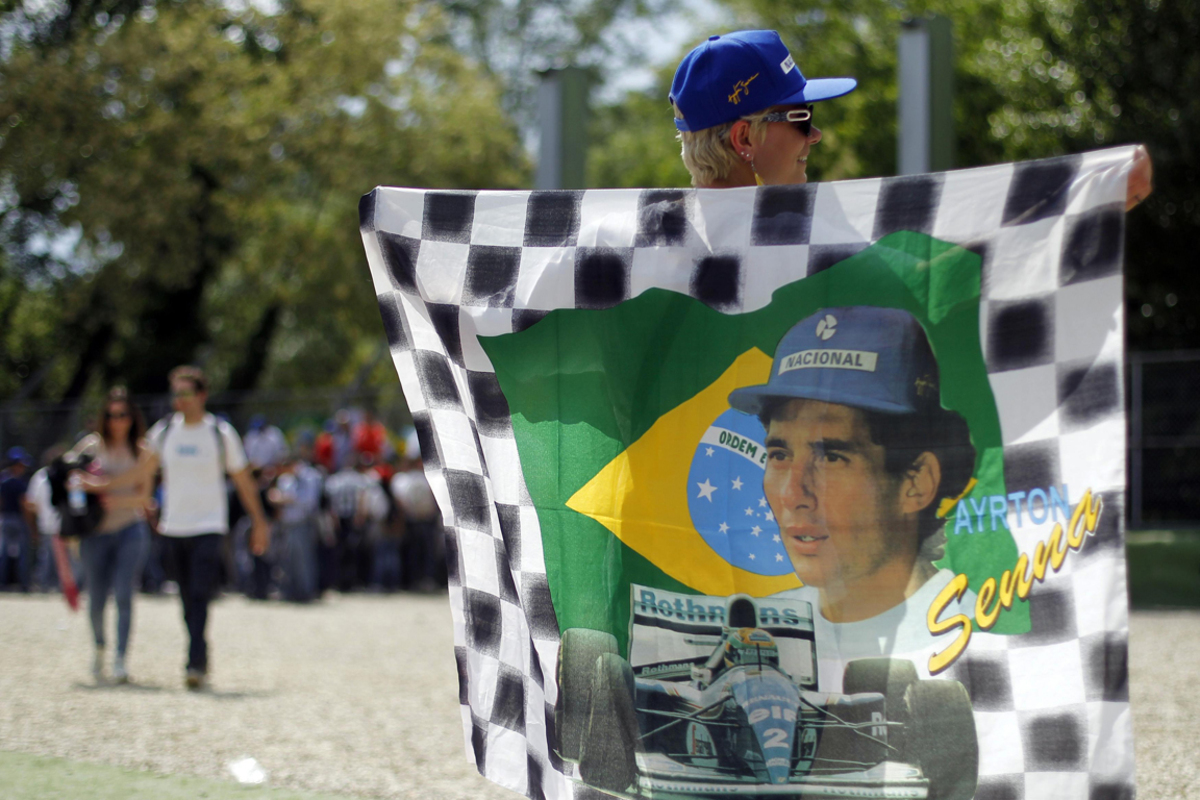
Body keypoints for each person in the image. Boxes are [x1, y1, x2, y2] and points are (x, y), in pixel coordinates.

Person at [727, 306, 977, 666]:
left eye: (830, 457)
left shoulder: (980, 637)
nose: (791, 494)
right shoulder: (751, 635)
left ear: (916, 482)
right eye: (780, 454)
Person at [669, 29, 1154, 205]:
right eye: (800, 116)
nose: (814, 135)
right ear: (743, 138)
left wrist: (1092, 196)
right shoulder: (814, 243)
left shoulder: (632, 251)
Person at [101, 365, 270, 690]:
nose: (179, 399)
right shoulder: (163, 433)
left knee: (199, 592)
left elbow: (244, 482)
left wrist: (259, 523)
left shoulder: (220, 433)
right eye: (175, 393)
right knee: (183, 598)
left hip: (209, 526)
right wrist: (103, 486)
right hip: (173, 528)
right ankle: (199, 652)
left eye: (185, 392)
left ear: (202, 395)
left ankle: (195, 660)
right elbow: (140, 474)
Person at [69, 388, 152, 683]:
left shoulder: (142, 451)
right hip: (95, 532)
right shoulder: (89, 447)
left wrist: (106, 492)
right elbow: (71, 480)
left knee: (124, 593)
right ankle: (100, 647)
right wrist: (86, 486)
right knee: (96, 598)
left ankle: (120, 658)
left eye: (123, 415)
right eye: (112, 415)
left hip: (130, 529)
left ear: (133, 417)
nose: (118, 421)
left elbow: (145, 498)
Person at [0, 446, 35, 592]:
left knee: (3, 552)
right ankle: (24, 583)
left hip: (5, 519)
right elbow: (24, 505)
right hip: (18, 519)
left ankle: (2, 582)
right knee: (23, 552)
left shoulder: (3, 479)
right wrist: (31, 525)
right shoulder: (20, 482)